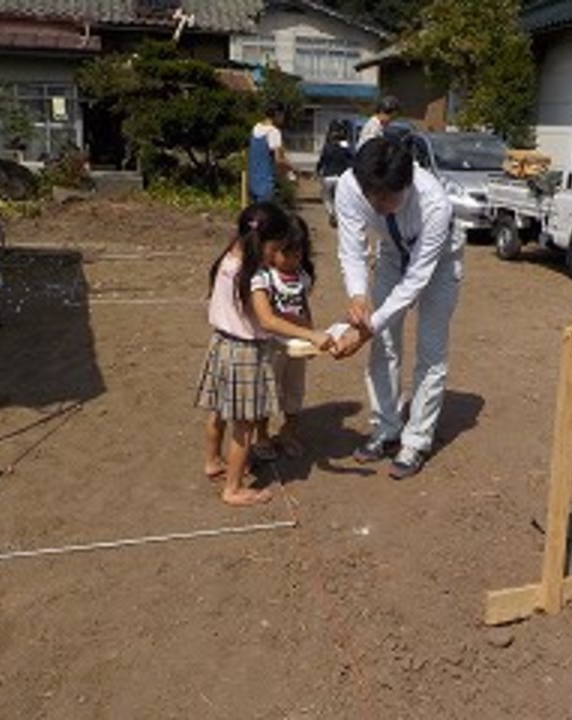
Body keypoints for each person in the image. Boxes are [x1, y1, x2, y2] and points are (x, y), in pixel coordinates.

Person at [332, 136, 462, 479]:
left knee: (430, 351)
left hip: (439, 261)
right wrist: (358, 295)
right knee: (384, 345)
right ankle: (386, 429)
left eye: (388, 197)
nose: (377, 204)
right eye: (371, 195)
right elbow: (351, 246)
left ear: (407, 183)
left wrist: (366, 327)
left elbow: (416, 281)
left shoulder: (433, 202)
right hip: (390, 252)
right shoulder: (349, 186)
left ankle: (417, 439)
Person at [195, 202, 331, 506]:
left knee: (217, 412)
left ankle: (213, 462)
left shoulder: (230, 255)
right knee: (243, 426)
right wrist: (312, 334)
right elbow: (268, 320)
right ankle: (233, 487)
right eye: (277, 246)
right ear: (264, 243)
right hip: (244, 352)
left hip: (220, 344)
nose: (278, 253)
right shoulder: (253, 274)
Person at [251, 215, 318, 458]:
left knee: (294, 391)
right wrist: (305, 330)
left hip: (297, 347)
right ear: (270, 249)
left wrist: (312, 335)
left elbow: (304, 306)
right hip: (271, 346)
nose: (292, 260)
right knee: (267, 391)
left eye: (298, 253)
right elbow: (267, 316)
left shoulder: (302, 276)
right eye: (286, 253)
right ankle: (262, 436)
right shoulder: (264, 277)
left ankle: (289, 432)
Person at [247, 101, 294, 203]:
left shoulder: (255, 127)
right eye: (283, 115)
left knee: (254, 216)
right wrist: (292, 167)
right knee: (265, 216)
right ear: (277, 114)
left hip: (252, 183)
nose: (284, 118)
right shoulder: (274, 132)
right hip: (266, 185)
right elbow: (279, 160)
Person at [316, 119, 354, 227]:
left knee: (326, 197)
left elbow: (321, 161)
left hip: (328, 177)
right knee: (339, 198)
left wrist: (318, 171)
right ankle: (338, 215)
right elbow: (352, 160)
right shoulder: (346, 146)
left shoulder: (327, 146)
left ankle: (331, 213)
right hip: (342, 177)